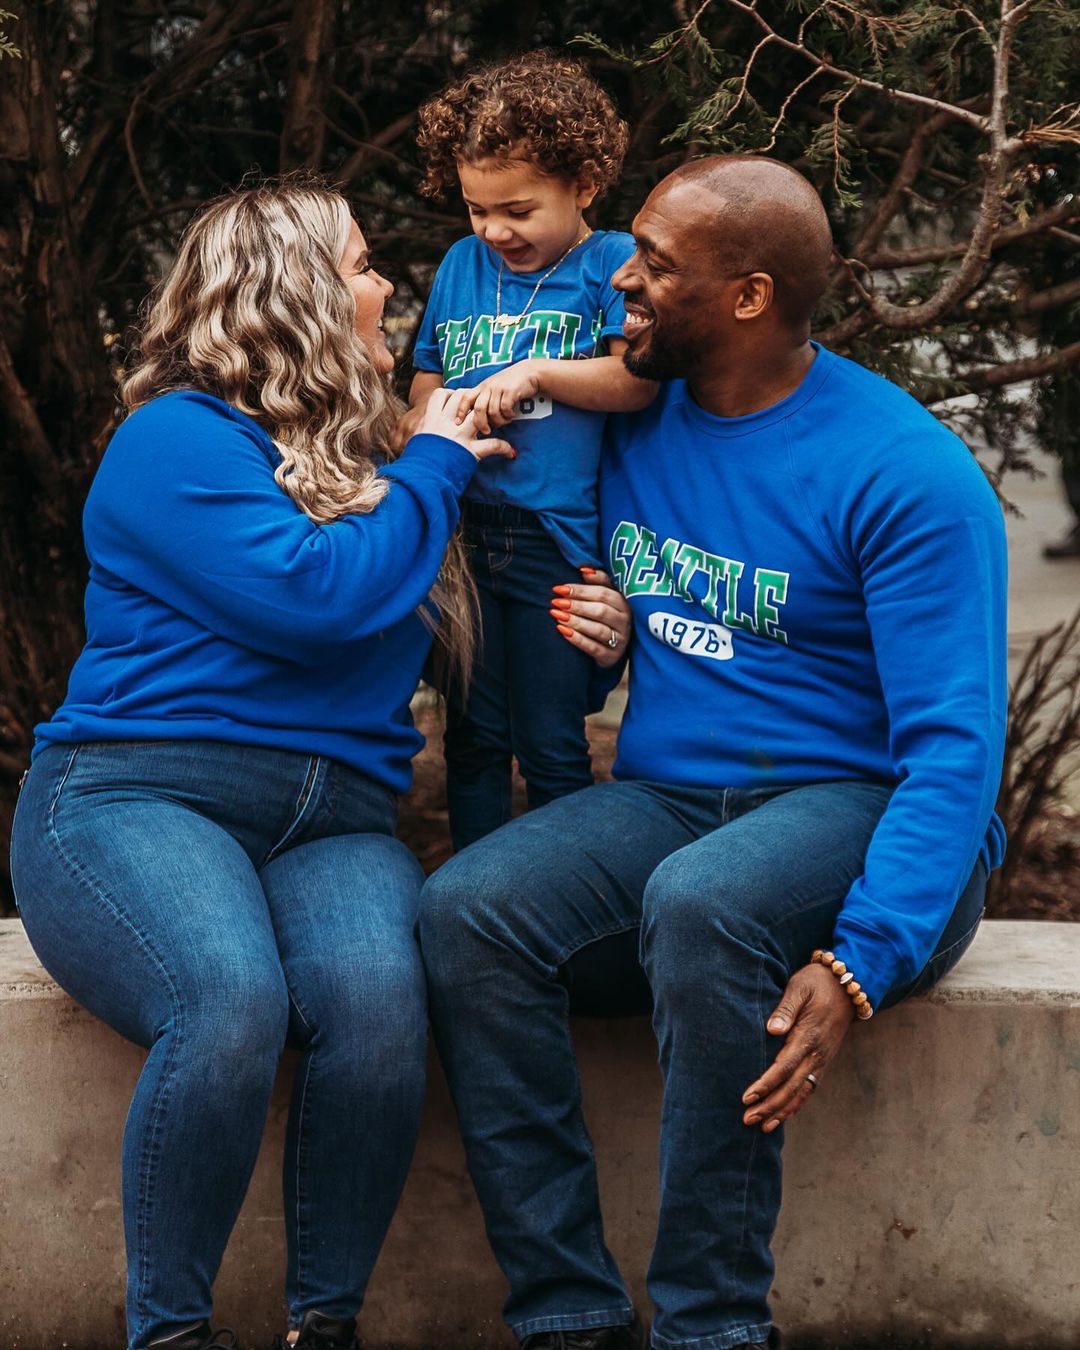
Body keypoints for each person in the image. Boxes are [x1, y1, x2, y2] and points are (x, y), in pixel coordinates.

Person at [418, 156, 1008, 1350]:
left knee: (701, 904)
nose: (621, 283)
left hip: (861, 815)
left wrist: (864, 963)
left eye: (656, 267)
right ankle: (570, 1314)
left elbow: (954, 752)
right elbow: (662, 633)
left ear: (747, 296)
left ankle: (712, 1325)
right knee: (465, 909)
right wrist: (599, 647)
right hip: (683, 800)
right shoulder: (635, 431)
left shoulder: (904, 472)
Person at [8, 178, 591, 1350]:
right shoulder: (177, 436)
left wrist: (601, 634)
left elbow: (473, 673)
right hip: (138, 792)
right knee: (226, 1001)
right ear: (299, 293)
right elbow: (316, 597)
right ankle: (169, 1332)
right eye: (365, 264)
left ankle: (324, 1326)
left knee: (379, 1014)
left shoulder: (374, 455)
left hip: (335, 824)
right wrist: (430, 466)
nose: (387, 288)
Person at [398, 51, 655, 851]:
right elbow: (420, 388)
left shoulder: (610, 261)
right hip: (466, 535)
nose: (494, 231)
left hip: (556, 541)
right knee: (471, 739)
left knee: (549, 742)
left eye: (516, 209)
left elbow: (635, 382)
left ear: (582, 184)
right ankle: (472, 910)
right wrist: (434, 419)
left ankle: (556, 908)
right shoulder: (459, 265)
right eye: (477, 209)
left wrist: (538, 371)